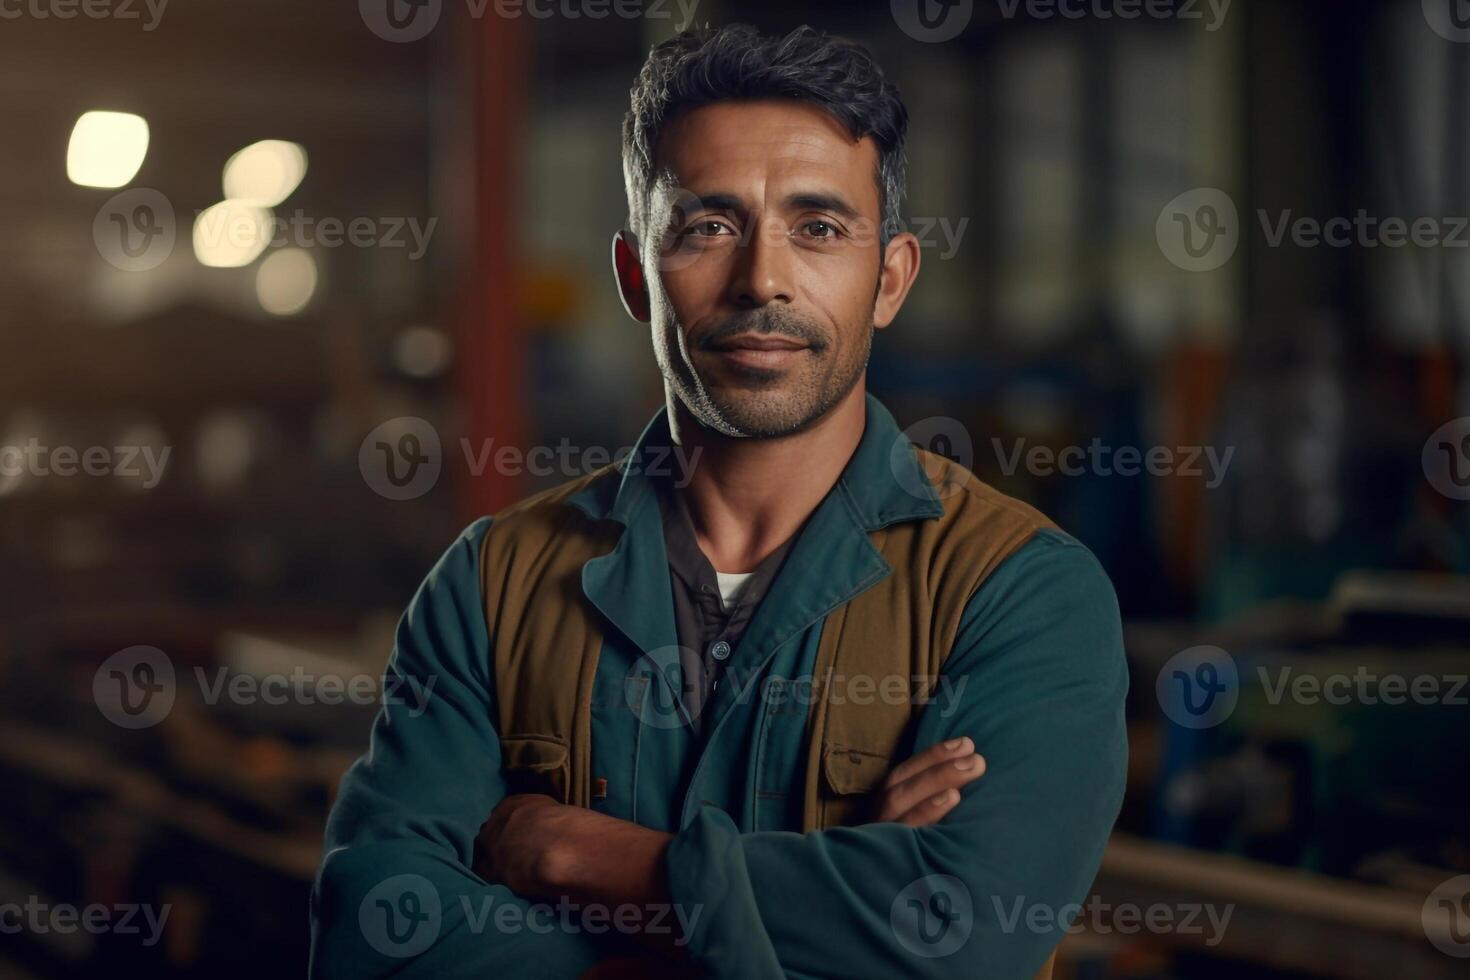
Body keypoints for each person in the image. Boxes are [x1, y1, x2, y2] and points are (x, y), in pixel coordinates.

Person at [310, 23, 1128, 980]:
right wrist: (810, 903)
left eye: (819, 229)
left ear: (890, 280)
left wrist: (579, 857)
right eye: (708, 226)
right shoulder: (491, 585)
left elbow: (967, 931)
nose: (762, 281)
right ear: (635, 277)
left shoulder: (1019, 595)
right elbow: (377, 934)